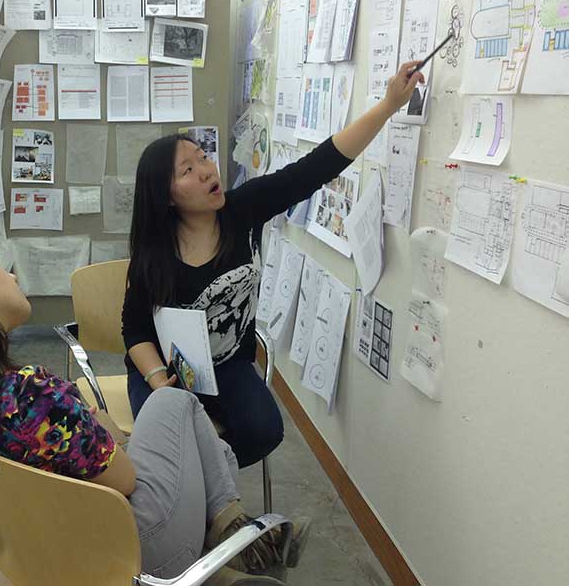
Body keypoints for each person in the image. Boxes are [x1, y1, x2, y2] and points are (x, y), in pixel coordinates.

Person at [0, 231, 311, 586]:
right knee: (174, 402)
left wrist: (98, 428)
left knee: (192, 440)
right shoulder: (26, 396)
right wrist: (106, 428)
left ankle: (229, 561)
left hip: (53, 547)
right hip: (129, 552)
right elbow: (123, 477)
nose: (7, 271)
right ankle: (238, 538)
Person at [123, 61, 426, 468]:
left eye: (202, 158)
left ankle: (210, 490)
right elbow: (136, 329)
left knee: (264, 430)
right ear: (167, 197)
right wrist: (160, 384)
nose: (207, 171)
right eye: (187, 171)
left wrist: (389, 104)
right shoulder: (155, 251)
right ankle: (214, 511)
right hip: (165, 370)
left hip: (228, 364)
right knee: (169, 445)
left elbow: (318, 166)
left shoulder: (243, 209)